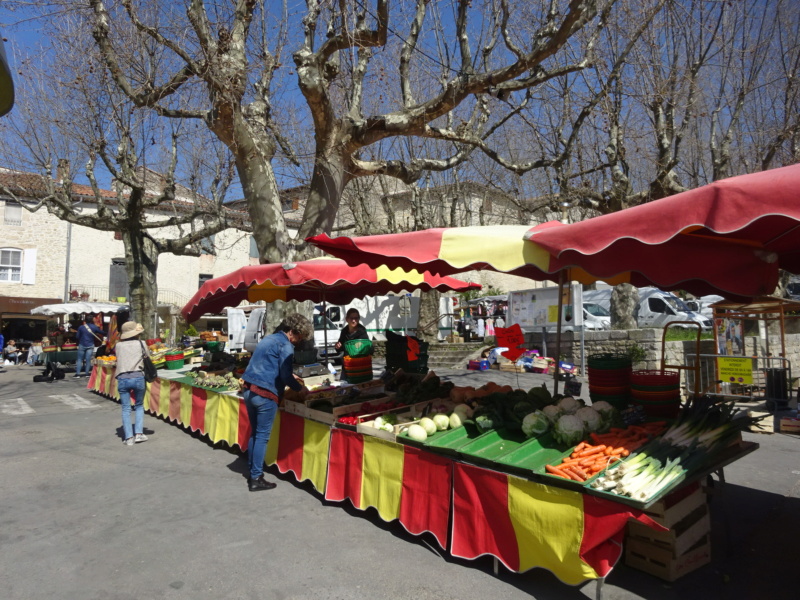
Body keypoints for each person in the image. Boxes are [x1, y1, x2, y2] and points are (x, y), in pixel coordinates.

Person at [241, 313, 312, 492]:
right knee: (262, 436)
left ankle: (252, 470)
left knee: (255, 434)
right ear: (292, 332)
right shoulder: (286, 345)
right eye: (299, 336)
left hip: (249, 390)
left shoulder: (268, 339)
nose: (298, 341)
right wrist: (299, 388)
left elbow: (269, 365)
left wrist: (289, 375)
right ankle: (256, 477)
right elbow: (285, 376)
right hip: (265, 394)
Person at [114, 321, 151, 446]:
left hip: (123, 378)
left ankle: (129, 437)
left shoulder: (118, 346)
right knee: (139, 405)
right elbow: (148, 357)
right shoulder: (142, 344)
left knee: (126, 408)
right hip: (138, 377)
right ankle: (139, 434)